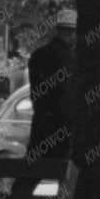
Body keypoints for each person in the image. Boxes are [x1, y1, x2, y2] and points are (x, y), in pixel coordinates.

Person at [26, 9, 77, 162]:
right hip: (60, 125)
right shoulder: (68, 58)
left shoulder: (37, 55)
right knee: (66, 172)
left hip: (40, 122)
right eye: (75, 34)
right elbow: (66, 94)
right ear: (69, 33)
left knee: (30, 172)